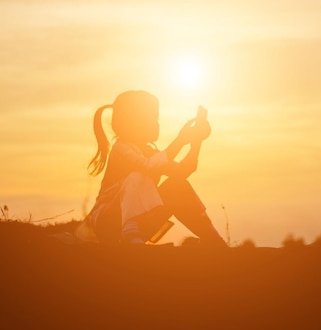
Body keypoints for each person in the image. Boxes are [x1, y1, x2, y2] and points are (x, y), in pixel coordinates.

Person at [75, 90, 227, 247]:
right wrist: (180, 140)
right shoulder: (121, 149)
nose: (157, 124)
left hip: (140, 224)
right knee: (136, 176)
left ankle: (213, 239)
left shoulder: (149, 152)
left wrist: (196, 142)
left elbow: (183, 172)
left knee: (178, 186)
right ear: (134, 122)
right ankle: (130, 236)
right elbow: (147, 166)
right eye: (153, 119)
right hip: (108, 224)